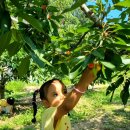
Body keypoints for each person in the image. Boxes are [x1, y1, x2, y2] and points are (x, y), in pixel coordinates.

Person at [32, 63, 101, 130]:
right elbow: (66, 106)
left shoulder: (63, 115)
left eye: (64, 92)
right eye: (55, 94)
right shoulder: (48, 113)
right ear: (46, 103)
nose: (63, 96)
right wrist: (82, 84)